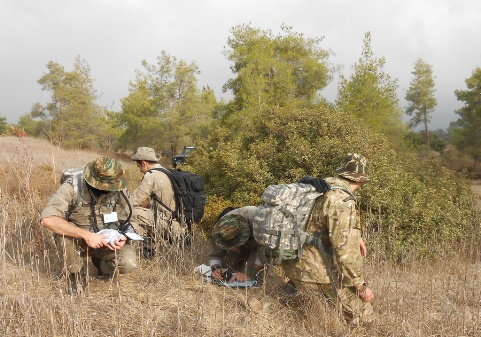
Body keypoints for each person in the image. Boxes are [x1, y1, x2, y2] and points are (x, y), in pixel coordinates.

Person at [281, 153, 375, 325]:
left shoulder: (323, 185)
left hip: (291, 261)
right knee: (365, 316)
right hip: (312, 271)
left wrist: (357, 235)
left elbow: (318, 225)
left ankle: (291, 291)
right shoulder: (342, 200)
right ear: (363, 180)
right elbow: (346, 252)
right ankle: (307, 290)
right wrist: (360, 286)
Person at [40, 157, 138, 295]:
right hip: (79, 241)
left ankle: (101, 265)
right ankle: (76, 275)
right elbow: (47, 219)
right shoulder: (72, 186)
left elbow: (131, 220)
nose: (109, 189)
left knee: (129, 264)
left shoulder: (120, 188)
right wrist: (86, 235)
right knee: (63, 235)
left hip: (107, 242)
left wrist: (124, 237)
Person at [130, 147, 182, 253]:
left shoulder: (151, 176)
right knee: (144, 212)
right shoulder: (167, 172)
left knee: (129, 212)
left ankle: (146, 246)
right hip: (177, 222)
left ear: (144, 163)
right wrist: (147, 205)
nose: (139, 170)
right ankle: (149, 246)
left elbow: (132, 201)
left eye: (139, 166)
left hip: (165, 223)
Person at [208, 206, 265, 282]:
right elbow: (215, 254)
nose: (235, 249)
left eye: (236, 244)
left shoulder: (259, 222)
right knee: (231, 266)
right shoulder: (219, 230)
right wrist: (215, 268)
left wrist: (250, 273)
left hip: (261, 243)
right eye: (231, 246)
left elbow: (266, 251)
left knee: (254, 277)